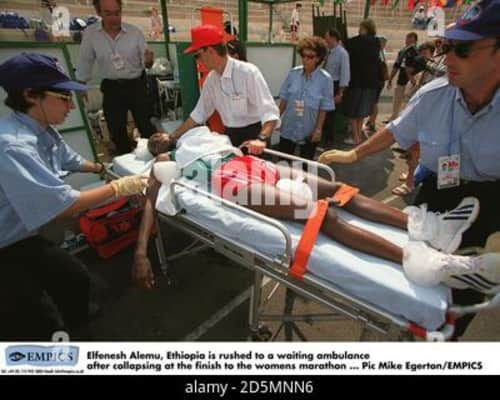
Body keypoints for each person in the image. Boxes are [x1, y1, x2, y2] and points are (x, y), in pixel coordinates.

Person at [131, 127, 500, 295]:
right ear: (155, 150)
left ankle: (427, 227)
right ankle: (425, 263)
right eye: (155, 141)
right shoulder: (167, 160)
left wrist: (254, 144)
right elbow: (151, 198)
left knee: (338, 189)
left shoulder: (199, 133)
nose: (160, 137)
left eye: (159, 134)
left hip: (254, 165)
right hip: (231, 183)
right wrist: (141, 252)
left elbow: (237, 142)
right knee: (321, 214)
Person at [317, 0, 500, 338]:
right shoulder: (433, 95)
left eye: (463, 49)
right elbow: (396, 131)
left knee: (465, 290)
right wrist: (353, 155)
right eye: (446, 47)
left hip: (490, 199)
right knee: (414, 272)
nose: (449, 58)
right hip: (437, 191)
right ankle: (410, 333)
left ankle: (444, 340)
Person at [0, 53, 148, 340]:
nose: (71, 105)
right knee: (36, 319)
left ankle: (78, 325)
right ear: (30, 95)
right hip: (5, 243)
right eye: (64, 97)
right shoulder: (13, 146)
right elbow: (63, 207)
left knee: (75, 278)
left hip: (21, 234)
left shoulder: (41, 129)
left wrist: (101, 168)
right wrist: (120, 187)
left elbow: (69, 159)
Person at [168, 24, 280, 154]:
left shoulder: (248, 73)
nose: (198, 61)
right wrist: (173, 136)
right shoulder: (211, 80)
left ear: (210, 51)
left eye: (197, 55)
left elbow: (270, 112)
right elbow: (199, 113)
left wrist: (261, 139)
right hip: (230, 136)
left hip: (254, 138)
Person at [77, 0, 156, 154]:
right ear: (99, 12)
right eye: (108, 14)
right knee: (116, 128)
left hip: (136, 85)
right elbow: (85, 60)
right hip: (112, 87)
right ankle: (126, 158)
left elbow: (147, 63)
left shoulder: (134, 33)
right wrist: (81, 84)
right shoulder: (91, 34)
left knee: (146, 124)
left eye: (117, 13)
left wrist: (149, 61)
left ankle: (156, 156)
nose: (114, 18)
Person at [278, 36, 334, 159]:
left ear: (318, 58)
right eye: (303, 55)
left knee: (305, 164)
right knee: (283, 162)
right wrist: (276, 118)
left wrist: (318, 129)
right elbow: (284, 98)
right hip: (289, 126)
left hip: (309, 130)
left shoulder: (325, 79)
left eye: (310, 57)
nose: (305, 59)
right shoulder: (293, 73)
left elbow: (324, 107)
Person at [342, 19, 381, 145]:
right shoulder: (376, 42)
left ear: (364, 28)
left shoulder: (355, 41)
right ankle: (358, 135)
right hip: (371, 82)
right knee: (362, 112)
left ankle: (355, 137)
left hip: (356, 81)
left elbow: (346, 45)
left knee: (352, 111)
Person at [322, 28, 350, 148]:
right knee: (323, 111)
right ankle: (322, 136)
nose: (326, 41)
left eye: (327, 38)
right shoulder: (329, 52)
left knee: (330, 114)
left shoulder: (342, 53)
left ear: (333, 38)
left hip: (334, 84)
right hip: (325, 83)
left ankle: (329, 140)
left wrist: (340, 93)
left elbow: (345, 73)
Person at [385, 32, 419, 123]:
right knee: (397, 99)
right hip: (402, 79)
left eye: (410, 38)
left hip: (411, 80)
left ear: (415, 40)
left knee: (407, 100)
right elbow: (396, 65)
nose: (407, 40)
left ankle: (402, 119)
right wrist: (390, 79)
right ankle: (394, 117)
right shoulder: (403, 51)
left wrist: (413, 80)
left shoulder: (416, 51)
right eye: (407, 38)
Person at [363, 35, 388, 135]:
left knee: (373, 102)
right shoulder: (381, 52)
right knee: (374, 102)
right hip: (379, 81)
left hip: (377, 81)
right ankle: (371, 121)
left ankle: (372, 122)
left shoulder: (379, 53)